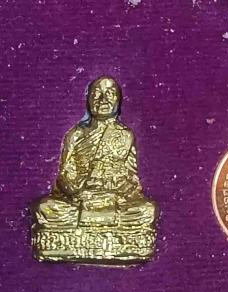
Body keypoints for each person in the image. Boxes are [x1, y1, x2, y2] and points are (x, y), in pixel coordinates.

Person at [34, 76, 157, 229]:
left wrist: (120, 186)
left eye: (110, 93)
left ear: (119, 101)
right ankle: (93, 221)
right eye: (97, 93)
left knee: (147, 210)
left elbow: (132, 178)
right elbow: (64, 174)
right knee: (45, 208)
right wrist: (76, 190)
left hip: (113, 199)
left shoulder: (125, 135)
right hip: (80, 199)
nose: (103, 99)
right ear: (88, 100)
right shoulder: (76, 134)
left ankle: (98, 221)